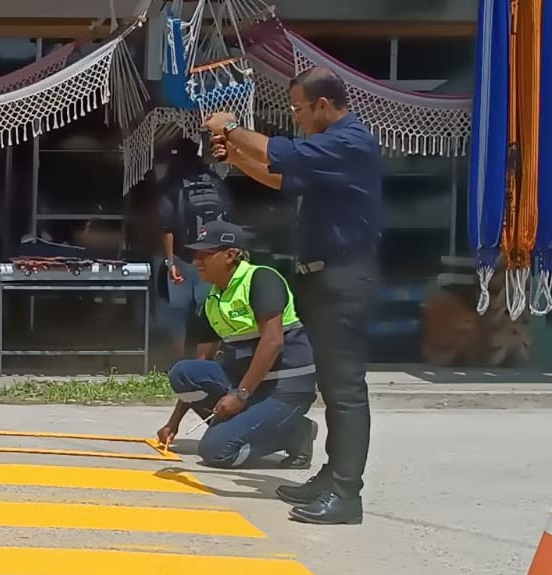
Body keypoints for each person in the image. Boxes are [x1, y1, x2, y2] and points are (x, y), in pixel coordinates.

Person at [205, 66, 383, 525]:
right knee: (333, 388)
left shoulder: (350, 142)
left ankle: (346, 493)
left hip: (344, 278)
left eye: (299, 109)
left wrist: (231, 127)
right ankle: (332, 476)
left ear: (323, 105)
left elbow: (279, 151)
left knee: (345, 390)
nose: (296, 117)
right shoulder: (329, 150)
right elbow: (282, 178)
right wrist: (237, 158)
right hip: (321, 279)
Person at [157, 219, 319, 475]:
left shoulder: (261, 279)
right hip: (245, 382)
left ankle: (296, 433)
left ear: (231, 255)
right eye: (195, 255)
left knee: (217, 452)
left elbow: (273, 340)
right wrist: (173, 422)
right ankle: (237, 427)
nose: (196, 261)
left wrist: (241, 395)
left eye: (205, 254)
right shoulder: (213, 299)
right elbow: (203, 361)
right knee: (183, 373)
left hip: (284, 387)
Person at [154, 136, 234, 361]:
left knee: (177, 313)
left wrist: (170, 262)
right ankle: (203, 361)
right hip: (212, 256)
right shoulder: (215, 181)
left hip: (182, 257)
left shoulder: (172, 184)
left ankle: (181, 361)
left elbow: (166, 227)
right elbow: (228, 217)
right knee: (209, 311)